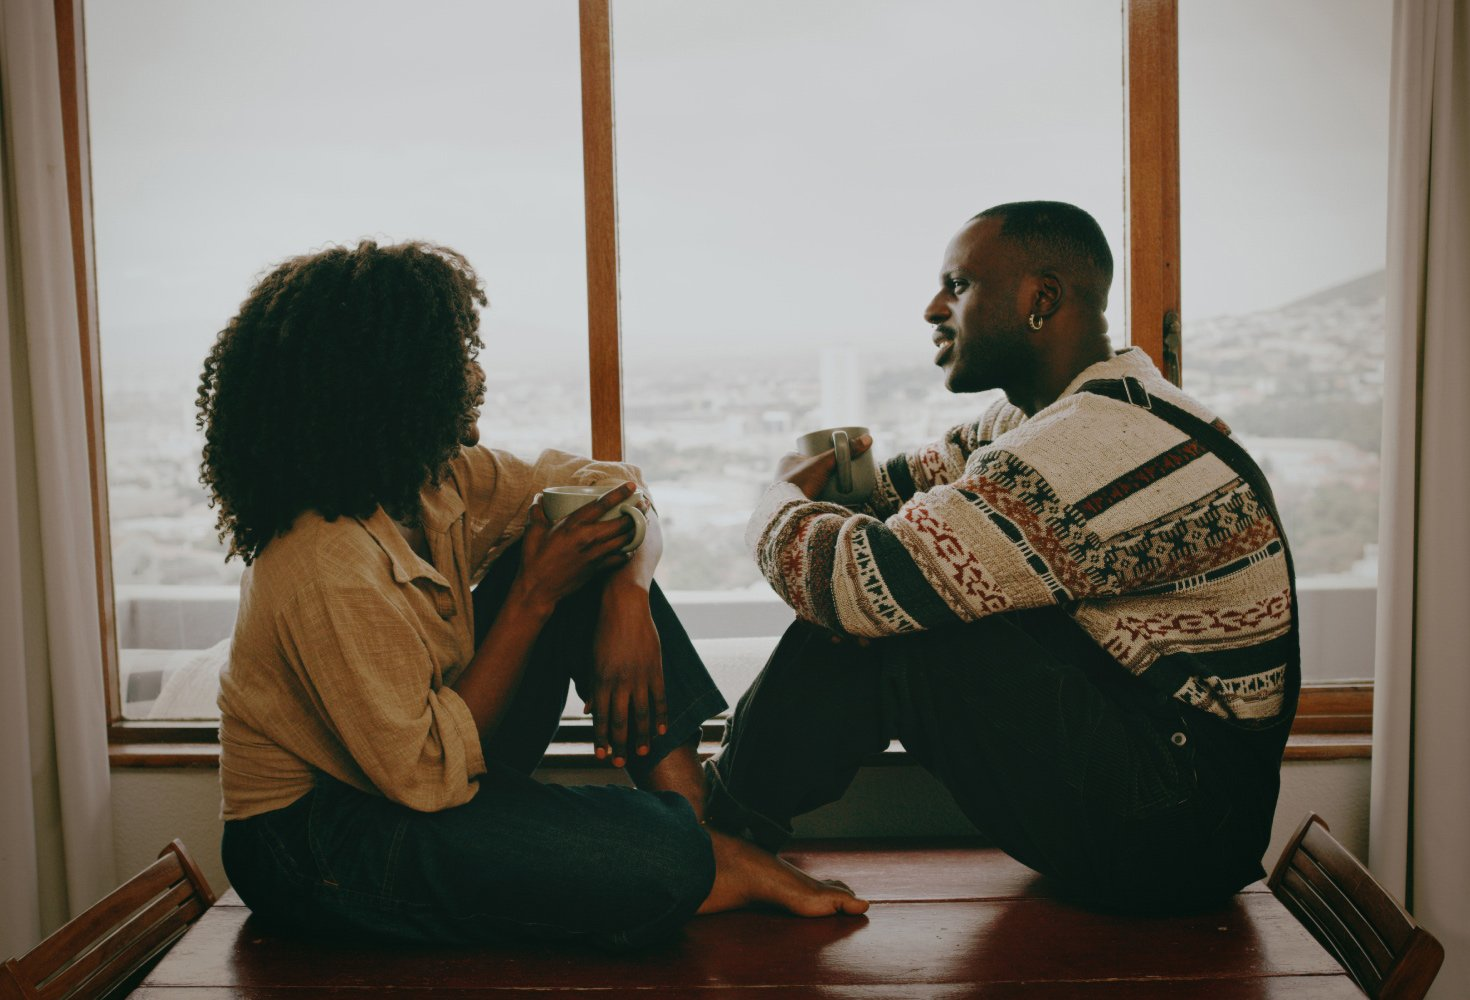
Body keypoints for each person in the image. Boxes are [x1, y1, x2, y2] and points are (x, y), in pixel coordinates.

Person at [202, 240, 867, 952]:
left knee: (583, 535)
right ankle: (697, 850)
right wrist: (530, 595)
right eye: (455, 355)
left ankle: (699, 819)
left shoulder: (436, 481)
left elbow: (614, 489)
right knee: (656, 864)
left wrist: (627, 598)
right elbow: (424, 781)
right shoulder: (320, 561)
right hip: (317, 840)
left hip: (435, 768)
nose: (476, 374)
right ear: (387, 383)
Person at [706, 202, 1301, 911]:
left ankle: (710, 835)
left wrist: (776, 500)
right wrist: (848, 503)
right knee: (901, 594)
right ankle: (716, 830)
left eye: (957, 285)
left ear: (1040, 299)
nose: (932, 307)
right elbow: (897, 497)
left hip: (1183, 827)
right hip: (1164, 790)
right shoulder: (1039, 419)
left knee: (898, 620)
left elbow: (860, 581)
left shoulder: (1106, 440)